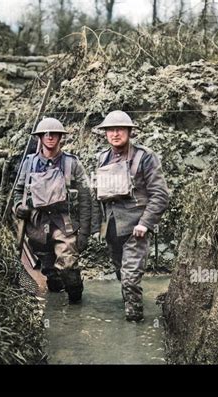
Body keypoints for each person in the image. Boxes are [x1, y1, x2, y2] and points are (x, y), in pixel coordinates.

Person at [93, 110, 169, 321]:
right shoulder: (102, 158)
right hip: (112, 228)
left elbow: (160, 195)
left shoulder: (145, 157)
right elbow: (97, 195)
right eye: (110, 130)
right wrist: (97, 227)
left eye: (120, 129)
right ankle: (129, 304)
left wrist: (145, 223)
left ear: (129, 132)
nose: (115, 134)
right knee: (121, 274)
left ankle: (135, 322)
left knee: (130, 279)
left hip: (136, 229)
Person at [13, 118, 92, 303]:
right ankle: (55, 301)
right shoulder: (29, 163)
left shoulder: (72, 163)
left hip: (62, 223)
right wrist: (19, 207)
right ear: (40, 137)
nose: (49, 137)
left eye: (53, 134)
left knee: (68, 265)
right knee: (50, 272)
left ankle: (75, 303)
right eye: (45, 134)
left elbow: (86, 198)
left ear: (60, 137)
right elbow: (18, 192)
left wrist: (85, 232)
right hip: (37, 224)